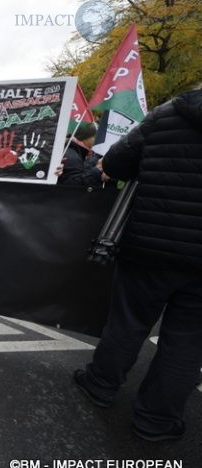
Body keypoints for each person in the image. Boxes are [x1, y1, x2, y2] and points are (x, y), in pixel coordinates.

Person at [73, 88, 202, 442]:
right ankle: (156, 420)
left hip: (148, 244)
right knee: (188, 342)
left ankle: (100, 384)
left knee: (128, 321)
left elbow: (116, 163)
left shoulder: (167, 115)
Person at [57, 122, 109, 186]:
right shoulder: (72, 156)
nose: (99, 140)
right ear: (86, 137)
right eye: (96, 137)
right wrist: (97, 169)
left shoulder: (76, 152)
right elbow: (72, 186)